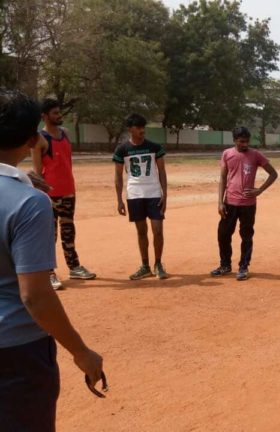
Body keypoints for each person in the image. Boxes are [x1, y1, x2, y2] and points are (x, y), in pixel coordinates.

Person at [0, 90, 104, 430]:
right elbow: (35, 296)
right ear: (32, 138)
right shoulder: (29, 204)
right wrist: (81, 352)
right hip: (17, 352)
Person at [31, 98, 96, 290]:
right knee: (49, 234)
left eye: (60, 113)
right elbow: (37, 171)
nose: (59, 116)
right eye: (55, 113)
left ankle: (74, 266)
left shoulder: (65, 134)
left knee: (69, 231)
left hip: (69, 191)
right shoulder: (39, 139)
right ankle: (48, 272)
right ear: (44, 116)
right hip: (49, 195)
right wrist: (42, 194)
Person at [210, 127, 278, 281]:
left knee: (246, 236)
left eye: (247, 141)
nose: (244, 144)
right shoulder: (227, 154)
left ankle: (243, 266)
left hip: (248, 204)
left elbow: (273, 174)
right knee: (223, 234)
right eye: (241, 141)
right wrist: (220, 202)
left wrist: (260, 190)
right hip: (230, 203)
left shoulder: (255, 155)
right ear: (234, 140)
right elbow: (222, 178)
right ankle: (225, 265)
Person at [113, 113, 169, 280]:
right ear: (130, 129)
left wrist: (164, 194)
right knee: (141, 231)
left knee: (157, 230)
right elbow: (117, 175)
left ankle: (158, 263)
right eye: (138, 127)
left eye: (143, 127)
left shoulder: (155, 147)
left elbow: (162, 171)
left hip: (153, 193)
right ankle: (145, 266)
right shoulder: (122, 149)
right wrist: (119, 200)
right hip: (134, 194)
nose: (142, 130)